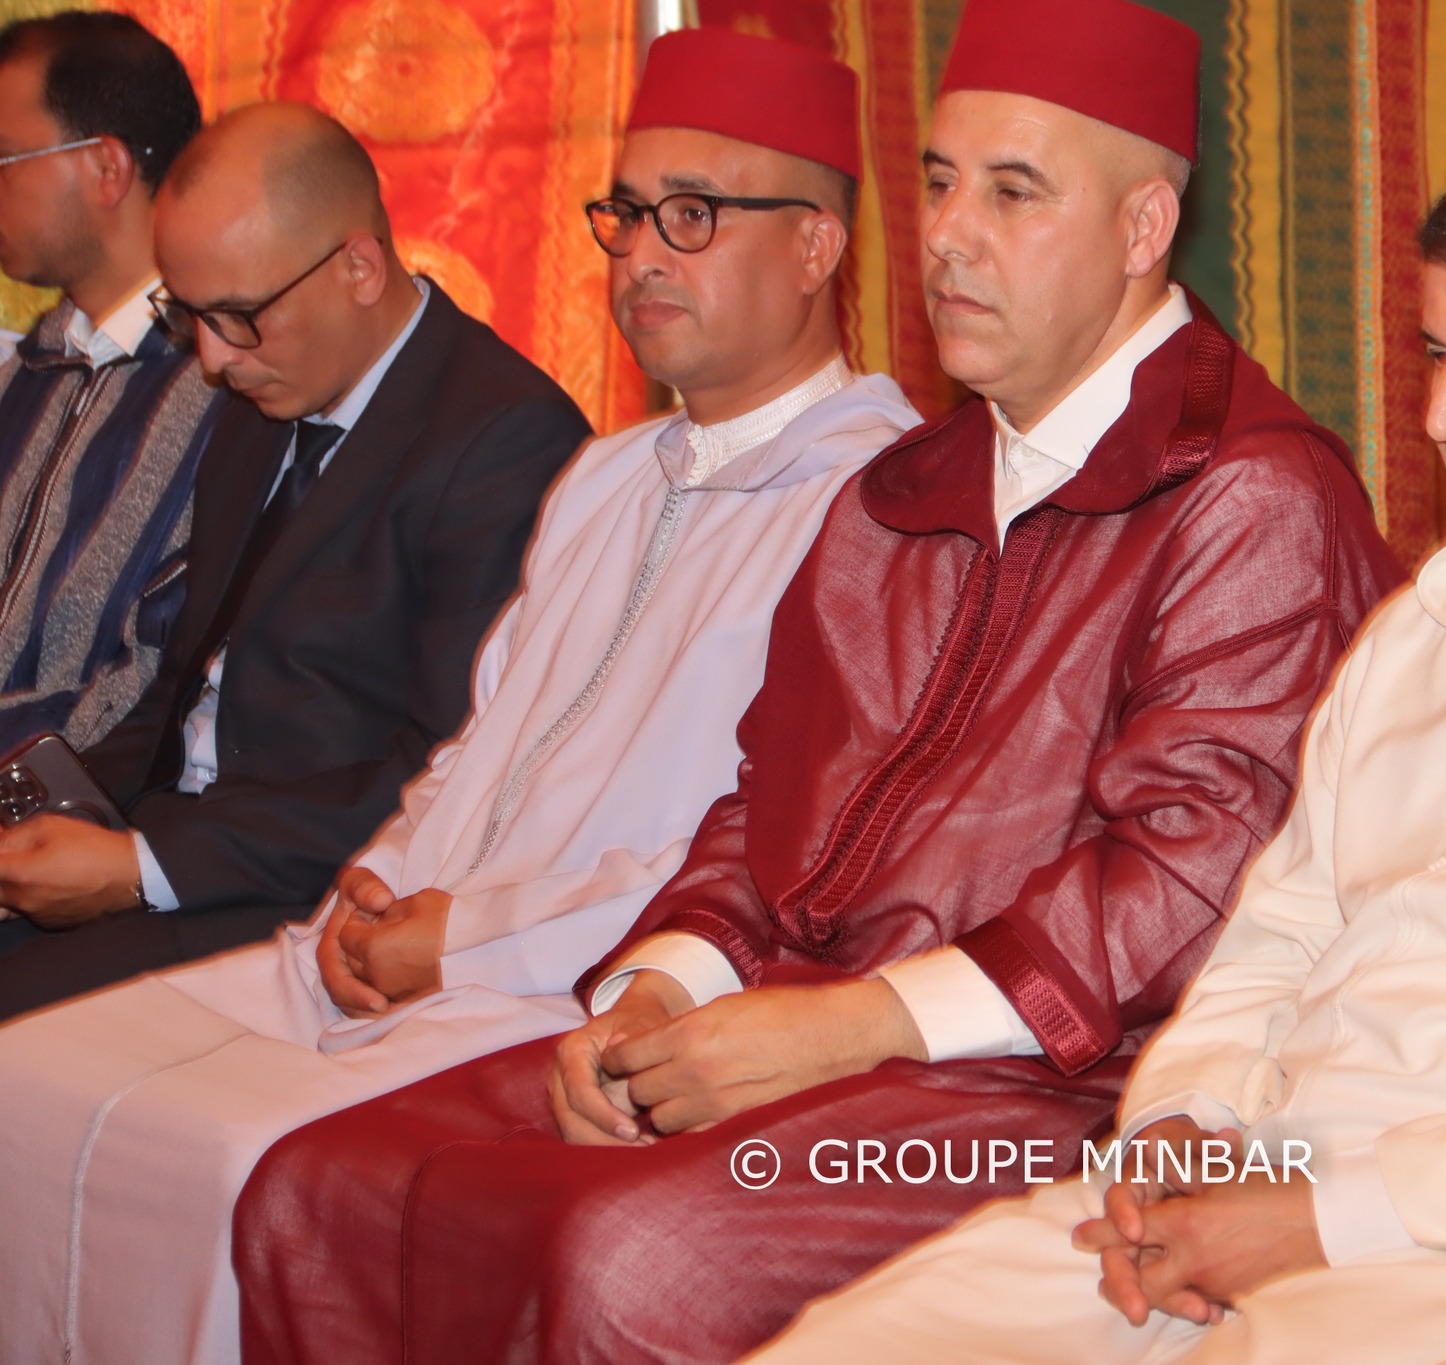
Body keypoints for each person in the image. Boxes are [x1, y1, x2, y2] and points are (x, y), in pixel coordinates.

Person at [232, 3, 1405, 1362]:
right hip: (800, 1018)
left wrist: (847, 1028)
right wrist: (659, 992)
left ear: (1145, 227)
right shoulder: (899, 493)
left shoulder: (1247, 493)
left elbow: (1189, 882)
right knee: (314, 1187)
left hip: (1065, 1090)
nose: (949, 234)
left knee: (635, 1262)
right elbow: (765, 803)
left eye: (1013, 192)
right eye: (941, 182)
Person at [741, 143, 1446, 1365]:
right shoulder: (1426, 621)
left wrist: (1322, 1220)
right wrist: (1181, 1127)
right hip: (1266, 1168)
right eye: (1437, 355)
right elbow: (1277, 933)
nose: (1443, 414)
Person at [0, 31, 917, 1365]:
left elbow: (766, 852)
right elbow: (475, 744)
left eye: (693, 216)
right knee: (28, 1086)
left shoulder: (883, 507)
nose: (640, 255)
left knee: (237, 1159)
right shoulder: (610, 476)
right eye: (626, 214)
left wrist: (464, 941)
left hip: (573, 983)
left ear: (818, 246)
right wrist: (381, 876)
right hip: (415, 942)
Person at [0, 102, 588, 1017]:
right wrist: (61, 807)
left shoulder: (504, 439)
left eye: (237, 317)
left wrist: (142, 867)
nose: (210, 358)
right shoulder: (263, 401)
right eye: (186, 313)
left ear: (359, 267)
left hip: (311, 897)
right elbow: (190, 681)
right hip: (179, 838)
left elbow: (447, 770)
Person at [0, 13, 216, 755]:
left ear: (106, 168)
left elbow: (159, 679)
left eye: (5, 157)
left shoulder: (226, 385)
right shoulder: (25, 374)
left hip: (76, 799)